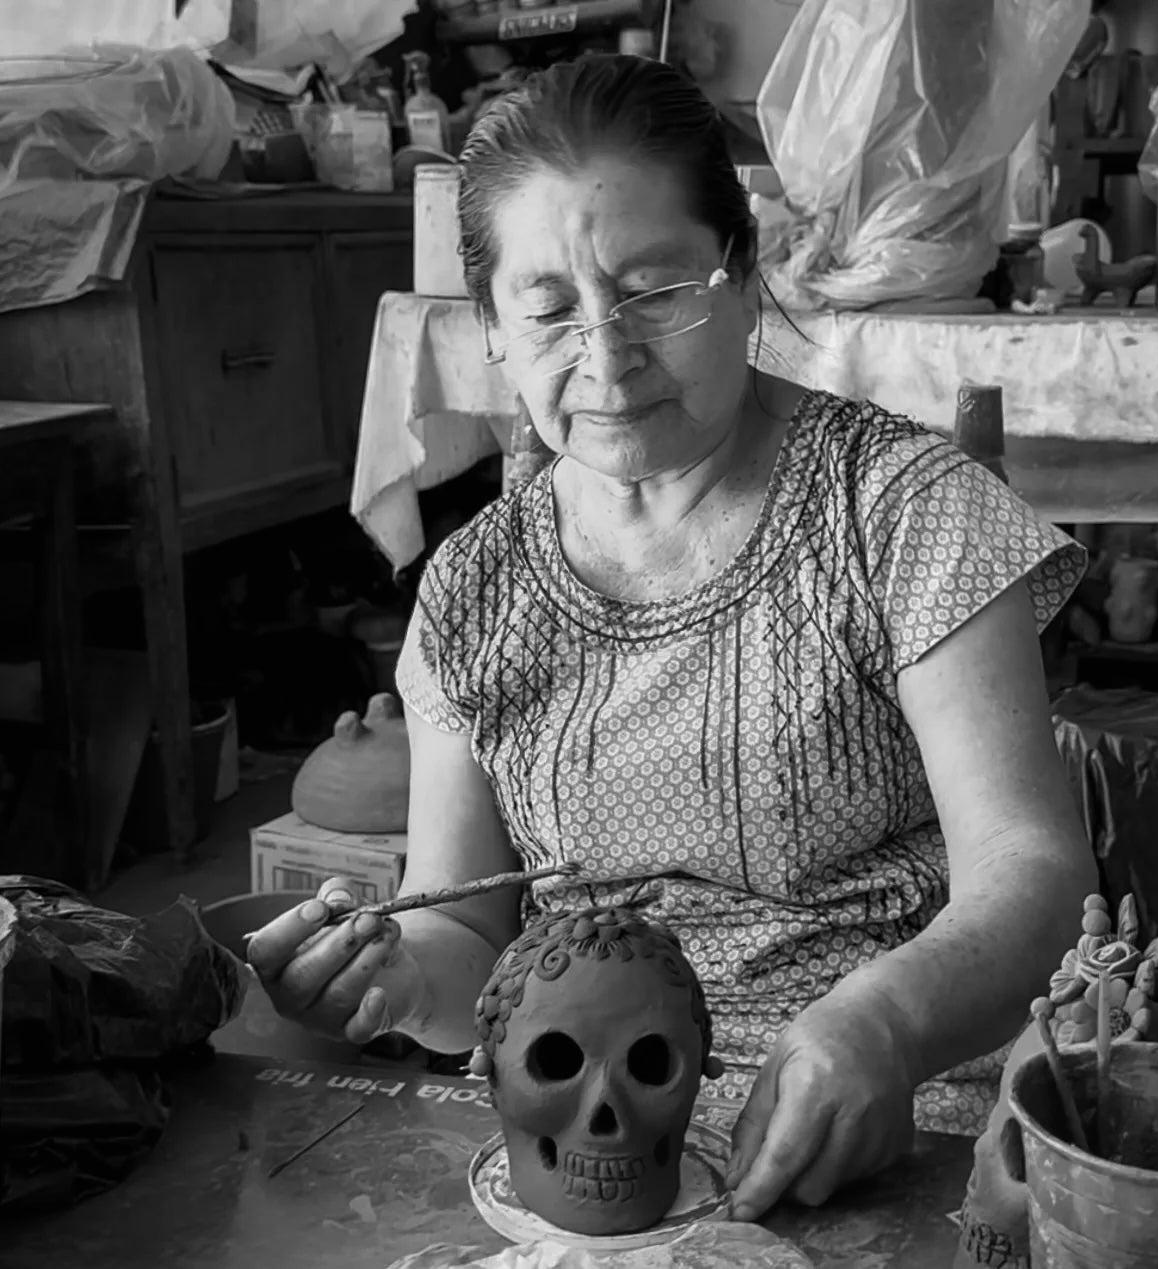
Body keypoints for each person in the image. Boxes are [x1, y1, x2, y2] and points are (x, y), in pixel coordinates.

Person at [247, 54, 1096, 1223]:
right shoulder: (473, 586)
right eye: (548, 309)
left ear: (742, 276)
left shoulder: (900, 511)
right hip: (588, 1129)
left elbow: (1036, 876)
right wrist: (390, 980)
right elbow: (464, 940)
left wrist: (886, 1027)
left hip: (892, 1101)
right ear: (492, 329)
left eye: (653, 291)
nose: (605, 357)